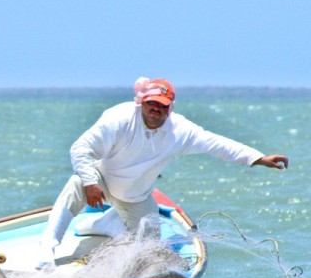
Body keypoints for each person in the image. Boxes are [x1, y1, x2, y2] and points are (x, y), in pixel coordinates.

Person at [37, 77, 289, 268]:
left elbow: (217, 143)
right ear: (142, 102)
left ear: (171, 108)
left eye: (163, 106)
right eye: (152, 103)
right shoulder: (118, 117)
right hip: (102, 181)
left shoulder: (181, 131)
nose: (156, 109)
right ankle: (46, 249)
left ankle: (107, 222)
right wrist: (91, 183)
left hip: (135, 196)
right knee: (75, 183)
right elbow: (80, 148)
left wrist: (258, 157)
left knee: (148, 248)